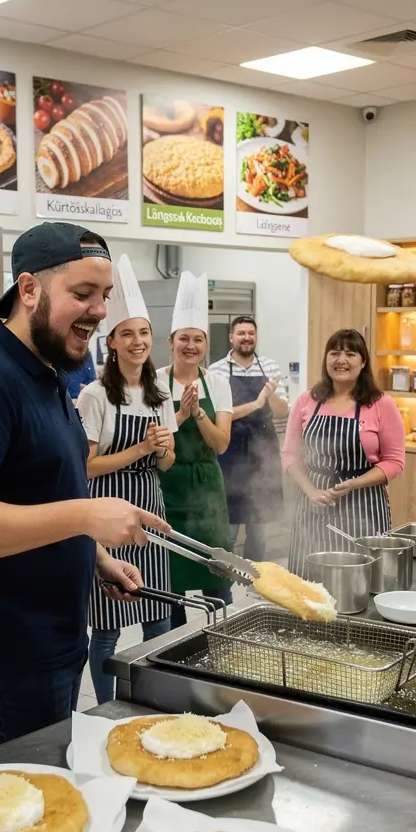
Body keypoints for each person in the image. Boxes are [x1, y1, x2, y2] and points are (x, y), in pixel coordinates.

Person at [0, 222, 165, 756]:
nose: (100, 311)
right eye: (82, 294)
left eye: (105, 296)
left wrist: (92, 554)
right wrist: (83, 518)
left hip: (47, 639)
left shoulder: (45, 374)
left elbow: (35, 490)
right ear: (29, 290)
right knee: (13, 820)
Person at [78, 256, 177, 703]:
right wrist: (139, 448)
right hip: (106, 518)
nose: (138, 342)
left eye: (144, 333)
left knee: (158, 619)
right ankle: (104, 708)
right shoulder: (94, 395)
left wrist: (162, 450)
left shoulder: (160, 394)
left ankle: (151, 702)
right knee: (108, 628)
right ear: (112, 343)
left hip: (150, 515)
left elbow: (167, 464)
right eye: (127, 334)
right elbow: (87, 467)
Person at [283, 328, 405, 576]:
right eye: (335, 353)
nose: (341, 360)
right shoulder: (307, 400)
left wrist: (354, 484)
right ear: (326, 359)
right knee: (309, 584)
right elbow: (290, 455)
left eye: (350, 354)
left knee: (360, 580)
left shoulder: (381, 403)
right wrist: (311, 491)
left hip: (364, 505)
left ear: (363, 362)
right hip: (312, 504)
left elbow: (394, 462)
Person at [158, 271, 233, 625]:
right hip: (167, 487)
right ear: (171, 342)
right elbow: (155, 439)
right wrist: (180, 412)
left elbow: (221, 444)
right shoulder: (154, 381)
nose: (191, 346)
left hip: (208, 491)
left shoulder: (217, 382)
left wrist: (198, 413)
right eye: (184, 338)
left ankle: (220, 644)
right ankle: (175, 650)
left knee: (216, 577)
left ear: (206, 345)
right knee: (172, 579)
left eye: (198, 339)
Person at [209, 315, 287, 561]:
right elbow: (216, 416)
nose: (246, 337)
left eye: (251, 333)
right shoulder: (216, 370)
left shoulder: (270, 367)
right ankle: (225, 579)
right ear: (231, 337)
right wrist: (256, 404)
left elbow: (282, 411)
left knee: (259, 527)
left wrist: (270, 395)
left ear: (256, 337)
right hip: (229, 451)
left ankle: (257, 580)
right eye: (241, 333)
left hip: (263, 452)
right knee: (228, 528)